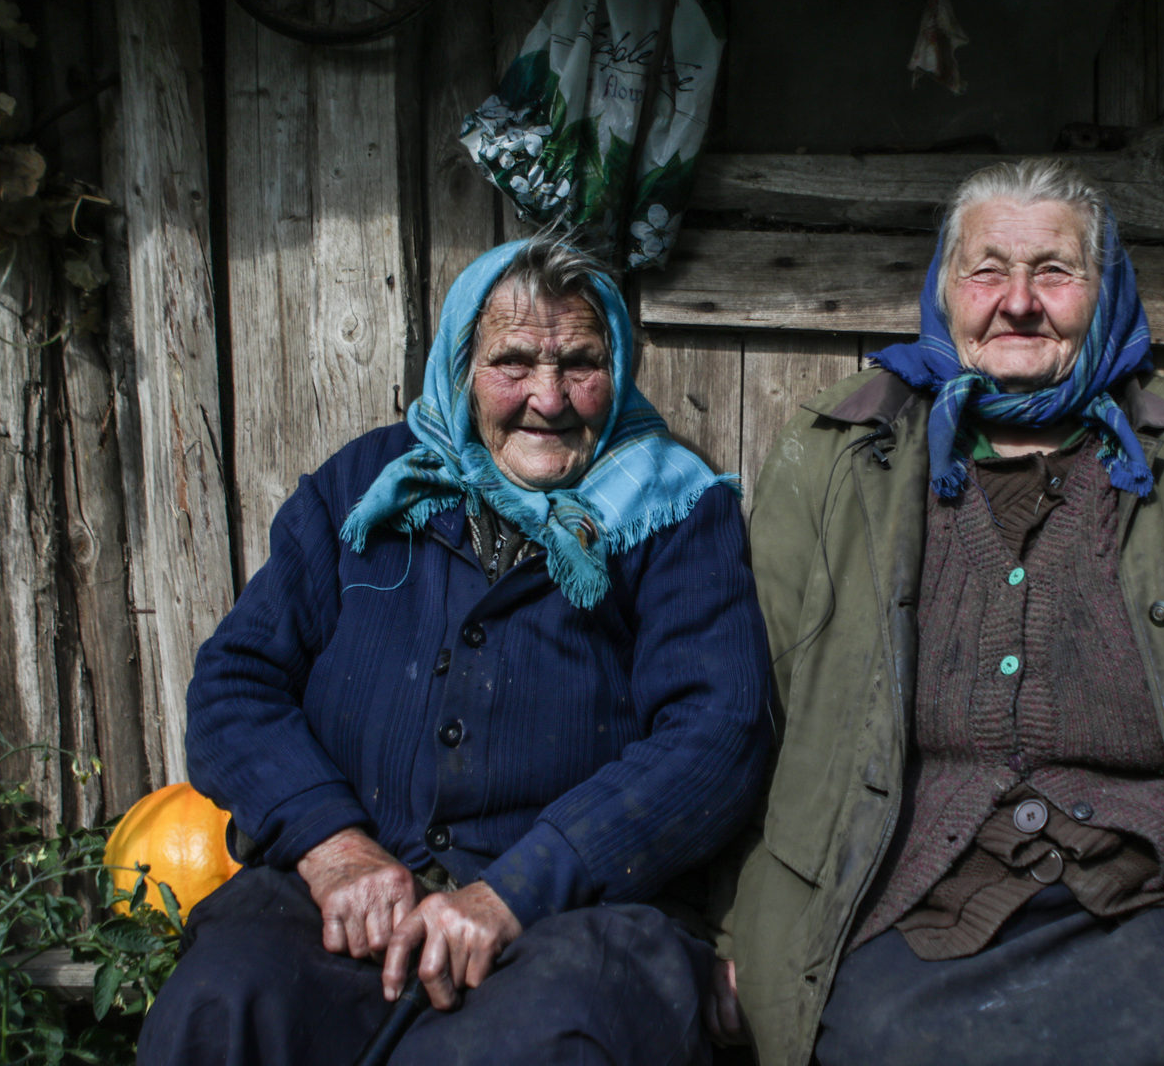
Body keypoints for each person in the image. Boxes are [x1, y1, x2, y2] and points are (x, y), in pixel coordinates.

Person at [708, 160, 1164, 1066]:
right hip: (904, 888)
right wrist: (736, 925)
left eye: (1056, 272)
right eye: (988, 270)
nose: (1019, 301)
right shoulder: (841, 456)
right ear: (945, 289)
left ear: (1104, 293)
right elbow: (747, 709)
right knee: (877, 1044)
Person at [140, 235, 774, 1065]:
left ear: (617, 370)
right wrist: (333, 847)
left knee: (545, 1044)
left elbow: (718, 732)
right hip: (345, 902)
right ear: (459, 367)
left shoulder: (673, 510)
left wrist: (519, 888)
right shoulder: (366, 488)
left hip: (567, 921)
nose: (549, 399)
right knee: (222, 1006)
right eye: (513, 362)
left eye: (580, 362)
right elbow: (235, 681)